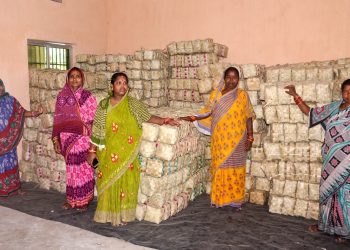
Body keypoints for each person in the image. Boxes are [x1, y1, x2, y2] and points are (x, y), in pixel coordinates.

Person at [87, 72, 178, 226]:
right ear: (112, 86)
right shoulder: (103, 105)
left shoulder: (133, 104)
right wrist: (91, 151)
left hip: (127, 154)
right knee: (109, 183)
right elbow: (97, 129)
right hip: (108, 154)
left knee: (128, 183)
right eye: (119, 83)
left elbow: (147, 116)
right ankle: (108, 215)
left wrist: (164, 120)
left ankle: (123, 216)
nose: (123, 86)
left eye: (125, 83)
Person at [180, 66, 255, 210]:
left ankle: (235, 201)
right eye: (228, 77)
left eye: (234, 77)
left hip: (238, 140)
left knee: (236, 168)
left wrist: (250, 138)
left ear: (238, 80)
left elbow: (249, 116)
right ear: (224, 78)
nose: (231, 80)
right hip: (220, 141)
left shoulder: (242, 95)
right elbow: (206, 112)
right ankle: (220, 199)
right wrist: (191, 118)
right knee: (221, 167)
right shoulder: (216, 94)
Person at [285, 81, 350, 242]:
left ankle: (343, 231)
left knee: (344, 195)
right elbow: (311, 113)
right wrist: (296, 96)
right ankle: (326, 225)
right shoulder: (334, 108)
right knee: (327, 194)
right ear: (341, 92)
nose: (348, 95)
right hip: (330, 161)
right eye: (346, 91)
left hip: (347, 164)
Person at [52, 67, 97, 211]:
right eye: (72, 76)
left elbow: (93, 118)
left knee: (83, 169)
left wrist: (80, 126)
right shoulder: (62, 97)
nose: (75, 79)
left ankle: (85, 199)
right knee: (71, 170)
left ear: (82, 79)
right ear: (68, 79)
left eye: (78, 76)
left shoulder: (88, 97)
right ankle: (72, 200)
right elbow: (58, 120)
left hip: (83, 138)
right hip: (67, 139)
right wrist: (56, 139)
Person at [0, 78, 43, 197]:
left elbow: (21, 113)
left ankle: (14, 188)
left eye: (0, 85)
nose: (0, 88)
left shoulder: (10, 101)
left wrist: (35, 113)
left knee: (11, 162)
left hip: (9, 141)